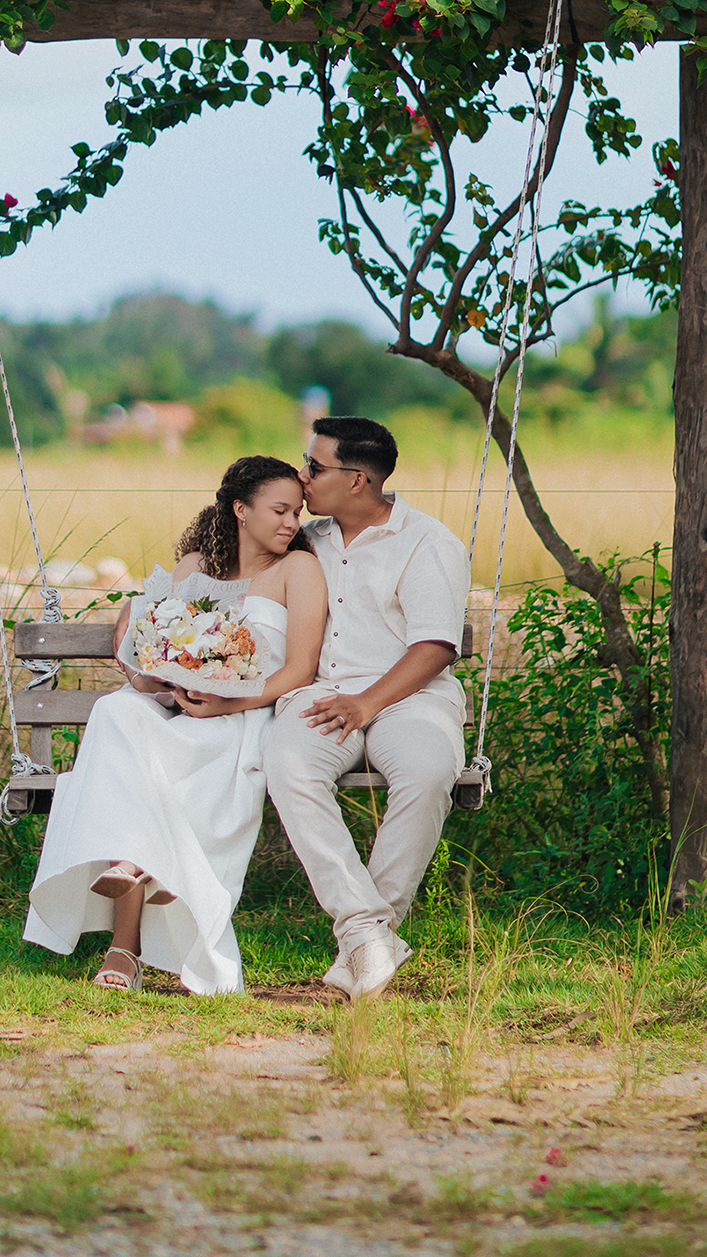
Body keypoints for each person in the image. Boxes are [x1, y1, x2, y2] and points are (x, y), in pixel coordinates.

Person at [23, 455, 327, 995]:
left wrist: (222, 704)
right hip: (172, 707)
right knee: (117, 710)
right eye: (279, 510)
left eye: (296, 512)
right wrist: (157, 673)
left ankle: (126, 936)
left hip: (240, 717)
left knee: (153, 761)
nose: (291, 523)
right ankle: (135, 868)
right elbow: (144, 656)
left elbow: (299, 669)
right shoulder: (193, 568)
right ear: (240, 509)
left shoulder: (298, 570)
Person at [264, 415, 470, 1004]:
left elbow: (434, 645)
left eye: (315, 466)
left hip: (410, 698)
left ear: (356, 480)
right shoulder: (305, 540)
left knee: (429, 771)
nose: (302, 477)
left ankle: (364, 936)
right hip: (322, 693)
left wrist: (367, 703)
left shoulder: (428, 542)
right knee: (288, 763)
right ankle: (366, 933)